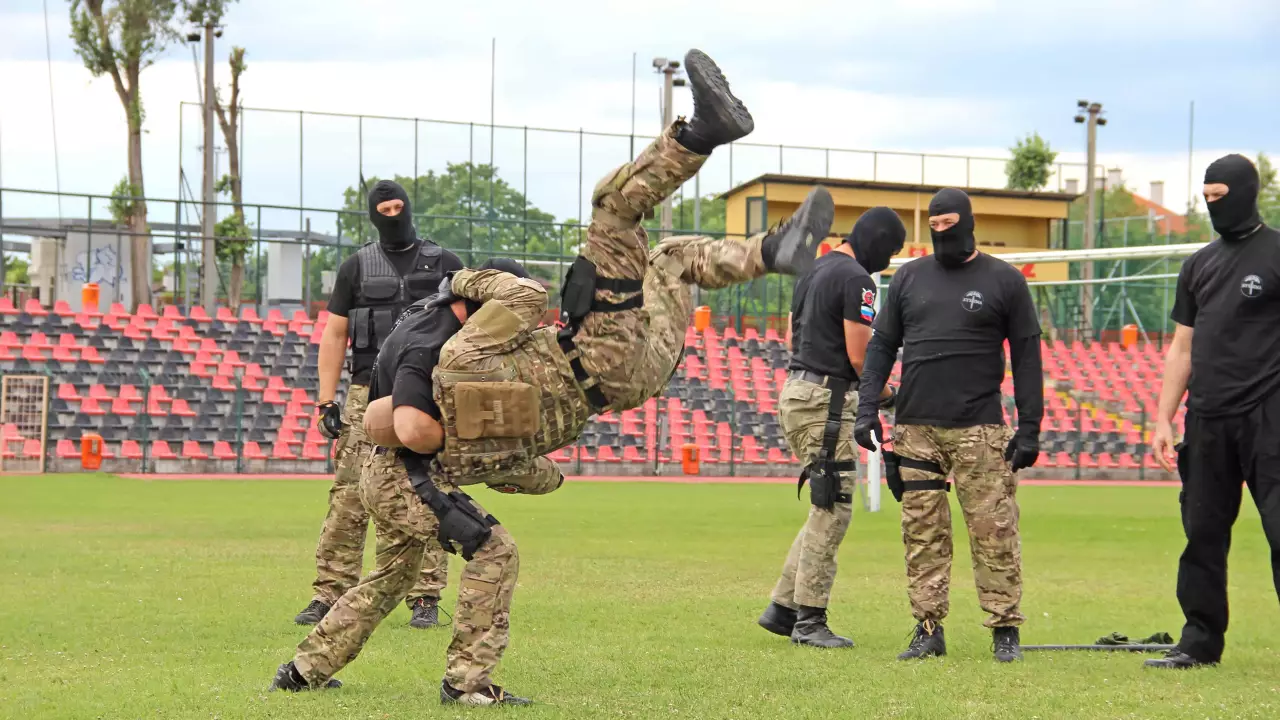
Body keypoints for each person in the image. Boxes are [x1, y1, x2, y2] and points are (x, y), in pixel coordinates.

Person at [267, 48, 832, 706]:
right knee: (615, 211)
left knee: (674, 258)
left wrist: (540, 468)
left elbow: (524, 473)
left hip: (623, 380)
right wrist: (463, 280)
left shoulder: (461, 415)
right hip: (603, 357)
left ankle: (304, 670)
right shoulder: (462, 352)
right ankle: (702, 133)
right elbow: (529, 301)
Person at [854, 187, 1043, 663]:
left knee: (993, 531)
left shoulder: (1005, 281)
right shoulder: (909, 279)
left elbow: (1026, 357)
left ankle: (1005, 632)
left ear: (969, 223)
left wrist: (1031, 426)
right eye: (934, 227)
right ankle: (928, 629)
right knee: (922, 533)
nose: (942, 233)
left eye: (949, 224)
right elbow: (880, 347)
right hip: (916, 426)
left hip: (980, 429)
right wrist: (866, 408)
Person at [293, 179, 459, 629]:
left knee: (426, 490)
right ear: (372, 214)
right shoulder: (356, 267)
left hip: (424, 392)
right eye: (383, 208)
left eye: (398, 206)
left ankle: (425, 596)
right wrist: (326, 401)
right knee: (348, 493)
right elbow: (334, 334)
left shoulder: (446, 264)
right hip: (367, 390)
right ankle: (330, 593)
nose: (393, 214)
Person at [1145, 154, 1280, 670]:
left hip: (1269, 417)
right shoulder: (1198, 265)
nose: (1211, 206)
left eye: (1220, 197)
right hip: (1207, 420)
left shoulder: (1276, 252)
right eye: (1206, 197)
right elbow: (1182, 348)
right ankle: (1200, 642)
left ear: (1247, 191)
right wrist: (1163, 418)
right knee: (1201, 535)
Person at [756, 208, 905, 648]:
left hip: (799, 392)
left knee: (823, 504)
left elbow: (791, 337)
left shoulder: (814, 270)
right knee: (835, 508)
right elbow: (860, 357)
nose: (888, 260)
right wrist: (891, 395)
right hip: (827, 401)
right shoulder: (858, 279)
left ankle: (783, 608)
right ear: (878, 241)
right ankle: (810, 621)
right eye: (891, 251)